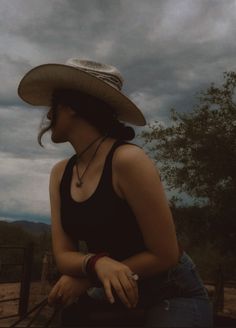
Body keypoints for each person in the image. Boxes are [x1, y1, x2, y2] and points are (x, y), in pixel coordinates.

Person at [18, 58, 213, 327]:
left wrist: (88, 274)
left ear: (71, 107)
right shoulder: (60, 173)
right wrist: (97, 264)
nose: (49, 116)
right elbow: (64, 257)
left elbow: (166, 253)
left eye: (53, 106)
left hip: (170, 290)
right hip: (114, 286)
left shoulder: (128, 161)